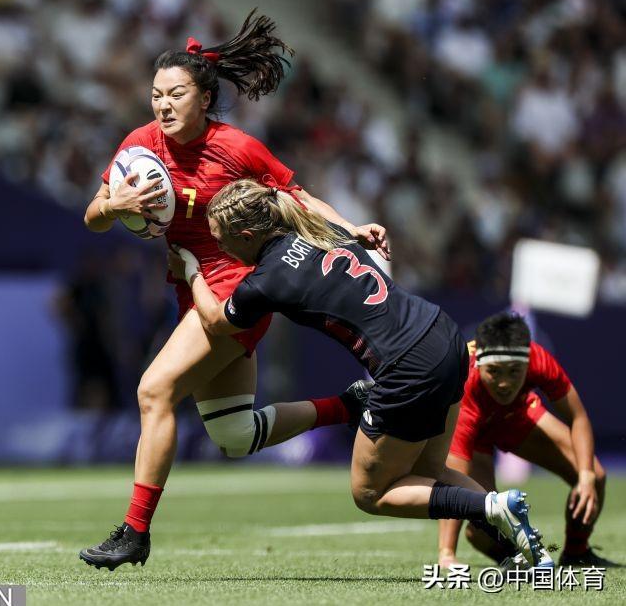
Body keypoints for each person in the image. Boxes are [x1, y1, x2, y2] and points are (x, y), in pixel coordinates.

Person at [79, 10, 391, 570]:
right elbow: (92, 218)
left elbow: (298, 197)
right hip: (189, 286)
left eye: (175, 94)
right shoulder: (140, 145)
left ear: (205, 98)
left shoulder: (237, 147)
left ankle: (134, 532)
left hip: (235, 287)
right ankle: (350, 403)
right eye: (156, 95)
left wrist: (352, 230)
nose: (163, 105)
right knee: (234, 435)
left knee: (154, 391)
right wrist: (113, 205)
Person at [169, 178, 554, 569]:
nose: (220, 248)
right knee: (431, 472)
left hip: (407, 365)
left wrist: (191, 270)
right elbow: (302, 198)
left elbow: (215, 321)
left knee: (371, 492)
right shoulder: (318, 227)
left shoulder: (266, 280)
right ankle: (527, 551)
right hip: (442, 333)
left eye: (221, 241)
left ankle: (493, 506)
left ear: (248, 236)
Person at [437, 312, 618, 569]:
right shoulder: (465, 385)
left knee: (595, 475)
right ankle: (510, 554)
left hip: (516, 417)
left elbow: (578, 417)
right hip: (474, 433)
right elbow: (455, 480)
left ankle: (576, 553)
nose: (504, 383)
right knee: (484, 525)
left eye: (514, 371)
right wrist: (447, 553)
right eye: (494, 371)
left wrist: (586, 476)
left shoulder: (538, 359)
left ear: (527, 361)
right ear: (479, 364)